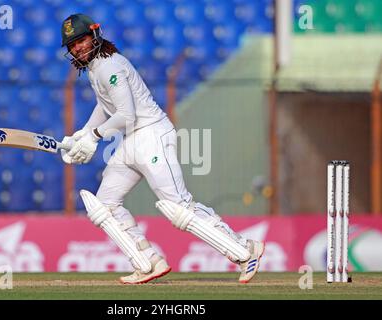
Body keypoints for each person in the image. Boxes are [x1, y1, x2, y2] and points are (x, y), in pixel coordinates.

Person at [59, 14, 265, 284]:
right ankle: (148, 262)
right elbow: (105, 106)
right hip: (131, 141)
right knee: (105, 205)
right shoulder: (97, 68)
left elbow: (127, 115)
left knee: (178, 207)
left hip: (151, 135)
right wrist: (84, 132)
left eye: (82, 40)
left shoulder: (110, 66)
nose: (78, 48)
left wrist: (95, 136)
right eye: (73, 45)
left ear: (95, 35)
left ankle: (246, 250)